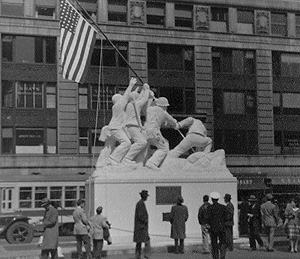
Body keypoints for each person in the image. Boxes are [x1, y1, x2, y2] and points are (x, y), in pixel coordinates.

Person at [106, 77, 137, 166]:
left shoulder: (119, 107)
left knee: (127, 142)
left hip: (117, 128)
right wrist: (131, 85)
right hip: (115, 128)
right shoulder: (118, 106)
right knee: (126, 143)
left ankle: (119, 159)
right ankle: (112, 159)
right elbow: (126, 97)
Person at [144, 97, 178, 170]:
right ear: (164, 105)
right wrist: (175, 124)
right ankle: (151, 163)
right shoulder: (164, 113)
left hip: (146, 131)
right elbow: (172, 121)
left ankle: (153, 162)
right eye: (166, 106)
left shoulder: (149, 109)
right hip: (154, 132)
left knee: (165, 143)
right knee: (163, 148)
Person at [123, 83, 150, 165]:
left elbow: (140, 98)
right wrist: (147, 89)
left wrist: (142, 90)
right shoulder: (135, 105)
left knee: (142, 142)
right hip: (132, 126)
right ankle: (127, 158)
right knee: (142, 142)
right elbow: (144, 99)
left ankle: (130, 158)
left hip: (131, 126)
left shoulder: (130, 105)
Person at [207, 192, 228, 259]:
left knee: (214, 244)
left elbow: (207, 217)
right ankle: (222, 256)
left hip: (213, 228)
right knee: (222, 243)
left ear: (212, 199)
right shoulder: (223, 207)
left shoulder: (209, 207)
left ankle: (215, 256)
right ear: (218, 199)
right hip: (222, 227)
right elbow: (226, 217)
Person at [134, 190, 151, 259]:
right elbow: (141, 216)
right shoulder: (140, 204)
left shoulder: (140, 203)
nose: (147, 197)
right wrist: (145, 220)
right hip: (142, 227)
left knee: (139, 242)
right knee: (147, 240)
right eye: (146, 196)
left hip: (140, 227)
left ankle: (137, 256)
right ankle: (146, 255)